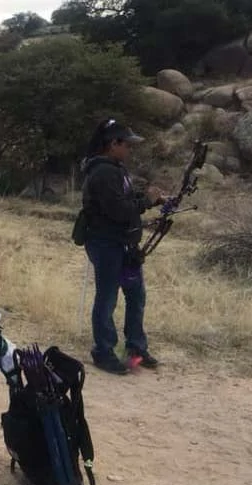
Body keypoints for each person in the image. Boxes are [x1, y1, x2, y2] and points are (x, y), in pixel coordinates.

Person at [79, 118, 165, 375]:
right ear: (112, 144)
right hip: (107, 244)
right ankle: (104, 352)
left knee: (135, 295)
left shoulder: (115, 169)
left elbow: (124, 200)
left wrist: (150, 199)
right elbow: (119, 210)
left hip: (123, 245)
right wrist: (146, 202)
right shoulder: (104, 172)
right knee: (107, 298)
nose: (130, 149)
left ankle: (135, 348)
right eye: (126, 144)